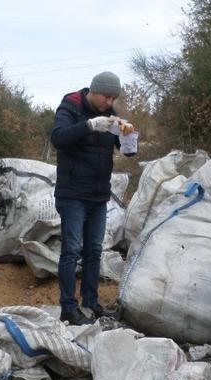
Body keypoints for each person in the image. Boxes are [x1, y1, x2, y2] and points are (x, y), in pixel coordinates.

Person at [50, 71, 135, 325]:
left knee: (94, 250)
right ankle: (68, 307)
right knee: (72, 250)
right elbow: (58, 138)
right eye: (106, 97)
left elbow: (127, 151)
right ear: (94, 91)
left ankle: (90, 301)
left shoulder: (111, 114)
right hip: (72, 193)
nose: (109, 103)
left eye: (113, 98)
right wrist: (88, 125)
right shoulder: (71, 106)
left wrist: (128, 136)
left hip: (99, 195)